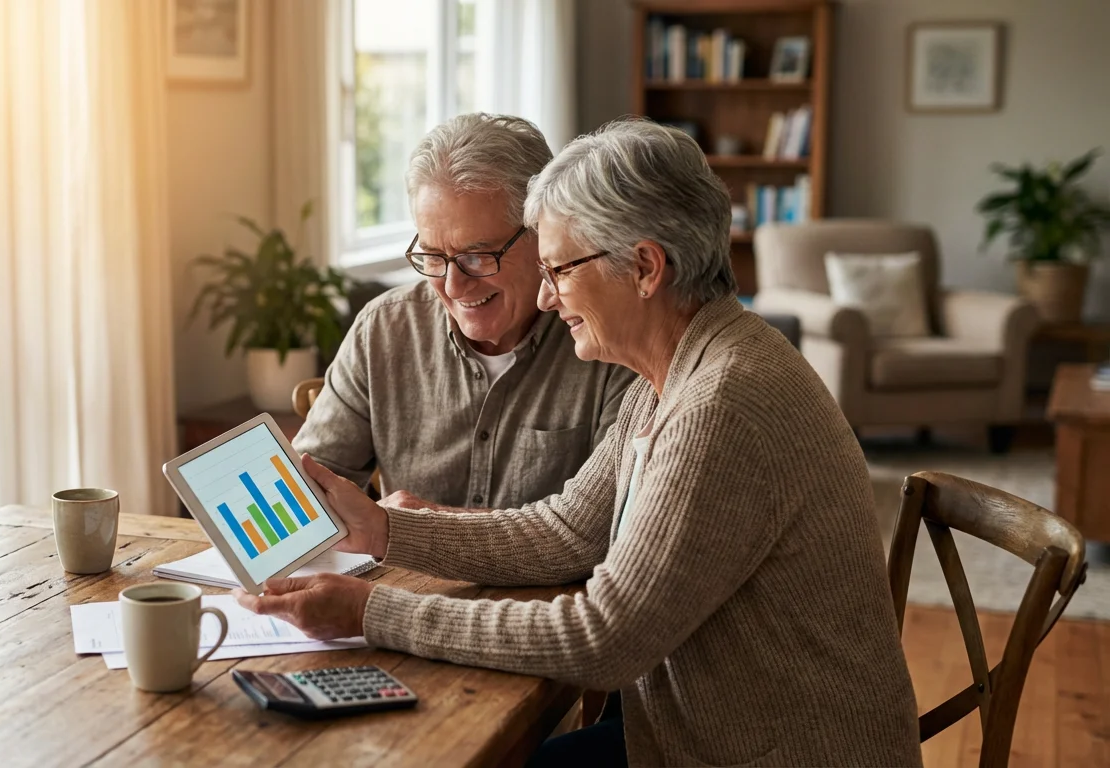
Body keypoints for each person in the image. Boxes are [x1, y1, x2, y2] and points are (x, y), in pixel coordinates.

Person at [236, 119, 922, 766]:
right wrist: (384, 528)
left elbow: (601, 641)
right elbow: (565, 531)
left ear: (646, 268)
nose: (546, 298)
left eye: (561, 270)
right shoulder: (678, 369)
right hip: (696, 735)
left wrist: (371, 609)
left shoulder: (722, 405)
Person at [293, 113, 635, 510]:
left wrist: (424, 528)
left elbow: (603, 526)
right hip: (397, 575)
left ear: (543, 231)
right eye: (433, 256)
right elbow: (308, 491)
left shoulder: (609, 337)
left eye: (477, 256)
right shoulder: (384, 329)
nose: (453, 287)